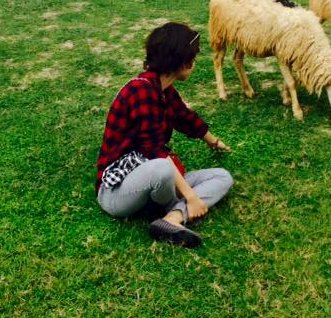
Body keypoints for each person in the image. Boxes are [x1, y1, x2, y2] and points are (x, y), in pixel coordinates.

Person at [96, 21, 232, 247]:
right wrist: (191, 196)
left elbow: (185, 118)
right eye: (193, 58)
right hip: (116, 191)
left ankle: (172, 218)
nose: (195, 63)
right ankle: (177, 206)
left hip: (151, 179)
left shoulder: (164, 89)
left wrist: (213, 141)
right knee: (162, 167)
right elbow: (154, 152)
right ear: (180, 61)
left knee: (222, 177)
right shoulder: (141, 90)